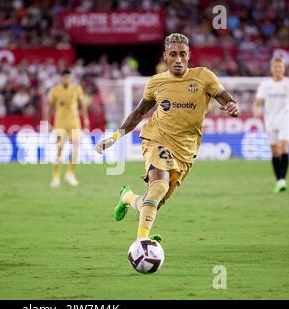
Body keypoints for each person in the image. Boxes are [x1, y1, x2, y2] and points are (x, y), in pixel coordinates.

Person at [96, 33, 239, 242]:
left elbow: (225, 97)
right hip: (157, 139)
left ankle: (127, 197)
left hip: (186, 151)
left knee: (154, 199)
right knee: (159, 186)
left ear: (189, 55)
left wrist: (231, 105)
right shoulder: (156, 83)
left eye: (182, 54)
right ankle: (141, 244)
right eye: (173, 54)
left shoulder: (204, 76)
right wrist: (114, 138)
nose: (178, 59)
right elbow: (138, 114)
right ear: (165, 56)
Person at [253, 57, 289, 193]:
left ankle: (282, 180)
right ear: (272, 68)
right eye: (276, 67)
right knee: (274, 151)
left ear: (283, 68)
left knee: (284, 147)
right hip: (271, 120)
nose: (278, 69)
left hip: (286, 119)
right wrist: (257, 109)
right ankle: (279, 180)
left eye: (280, 67)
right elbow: (258, 101)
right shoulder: (265, 85)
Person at [46, 69, 89, 187]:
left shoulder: (76, 88)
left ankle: (70, 173)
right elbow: (49, 107)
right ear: (61, 78)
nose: (66, 79)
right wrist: (48, 122)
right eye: (64, 77)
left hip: (74, 122)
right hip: (60, 122)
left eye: (68, 77)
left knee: (76, 147)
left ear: (70, 78)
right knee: (59, 149)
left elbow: (83, 104)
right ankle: (56, 176)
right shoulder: (55, 90)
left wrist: (86, 120)